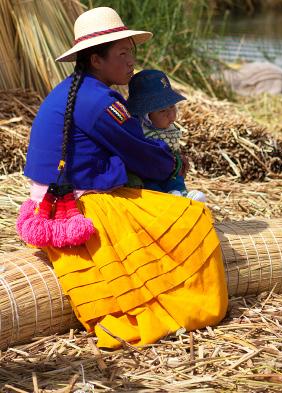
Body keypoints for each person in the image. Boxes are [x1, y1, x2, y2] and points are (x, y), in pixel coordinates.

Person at [17, 7, 228, 349]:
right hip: (82, 206)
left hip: (53, 201)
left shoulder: (73, 89)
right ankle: (183, 307)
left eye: (132, 51)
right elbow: (141, 154)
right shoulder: (100, 102)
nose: (132, 61)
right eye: (123, 53)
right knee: (193, 218)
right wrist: (174, 163)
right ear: (96, 60)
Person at [127, 69, 206, 201]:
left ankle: (184, 197)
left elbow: (173, 149)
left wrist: (180, 159)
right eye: (162, 110)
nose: (171, 115)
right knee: (152, 189)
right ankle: (168, 200)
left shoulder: (169, 129)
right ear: (146, 116)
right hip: (149, 177)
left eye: (172, 107)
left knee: (177, 182)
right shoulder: (139, 133)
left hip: (171, 173)